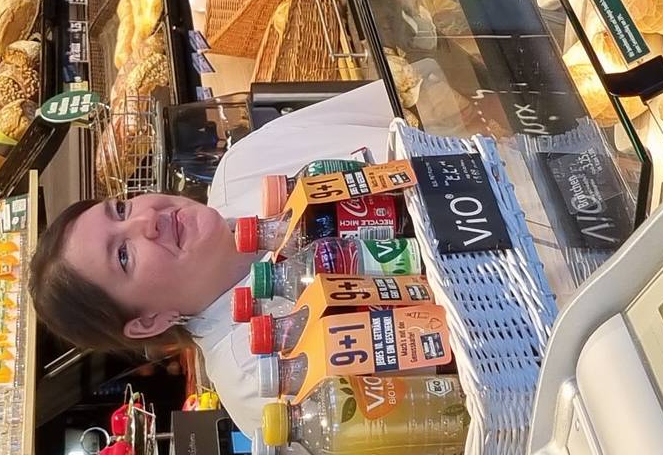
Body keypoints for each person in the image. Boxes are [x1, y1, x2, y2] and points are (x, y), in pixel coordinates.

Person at [27, 81, 401, 442]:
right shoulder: (258, 379)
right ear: (149, 321)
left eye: (122, 209)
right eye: (123, 255)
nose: (147, 219)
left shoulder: (245, 166)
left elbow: (408, 94)